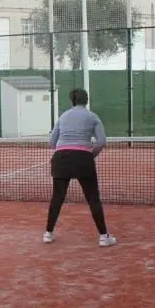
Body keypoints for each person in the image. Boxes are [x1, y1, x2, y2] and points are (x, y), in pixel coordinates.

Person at [43, 87, 117, 247]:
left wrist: (65, 149)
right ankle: (104, 237)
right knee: (93, 198)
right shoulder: (93, 117)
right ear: (87, 100)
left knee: (57, 197)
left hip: (61, 158)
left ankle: (48, 233)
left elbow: (51, 142)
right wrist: (90, 154)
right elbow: (102, 141)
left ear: (72, 101)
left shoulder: (63, 116)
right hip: (83, 158)